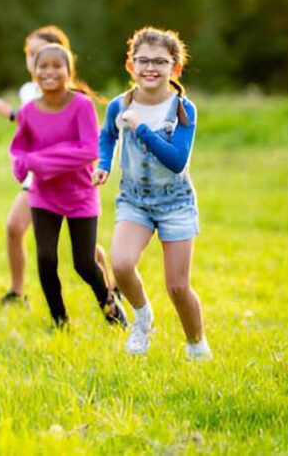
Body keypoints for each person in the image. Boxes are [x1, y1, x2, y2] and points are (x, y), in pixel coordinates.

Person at [94, 27, 211, 360]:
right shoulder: (119, 105)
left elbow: (176, 161)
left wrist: (141, 129)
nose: (150, 68)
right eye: (142, 61)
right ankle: (142, 318)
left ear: (175, 68)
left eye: (160, 62)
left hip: (175, 203)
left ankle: (196, 344)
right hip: (134, 201)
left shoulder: (182, 109)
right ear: (130, 66)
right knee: (121, 264)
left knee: (177, 286)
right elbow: (107, 137)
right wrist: (104, 163)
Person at [0, 27, 120, 311]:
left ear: (67, 67)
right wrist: (22, 166)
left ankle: (109, 298)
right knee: (45, 258)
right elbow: (20, 147)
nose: (46, 70)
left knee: (84, 261)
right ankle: (56, 320)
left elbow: (89, 150)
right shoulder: (29, 106)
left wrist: (39, 160)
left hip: (78, 191)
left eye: (54, 64)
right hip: (42, 190)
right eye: (36, 60)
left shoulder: (81, 104)